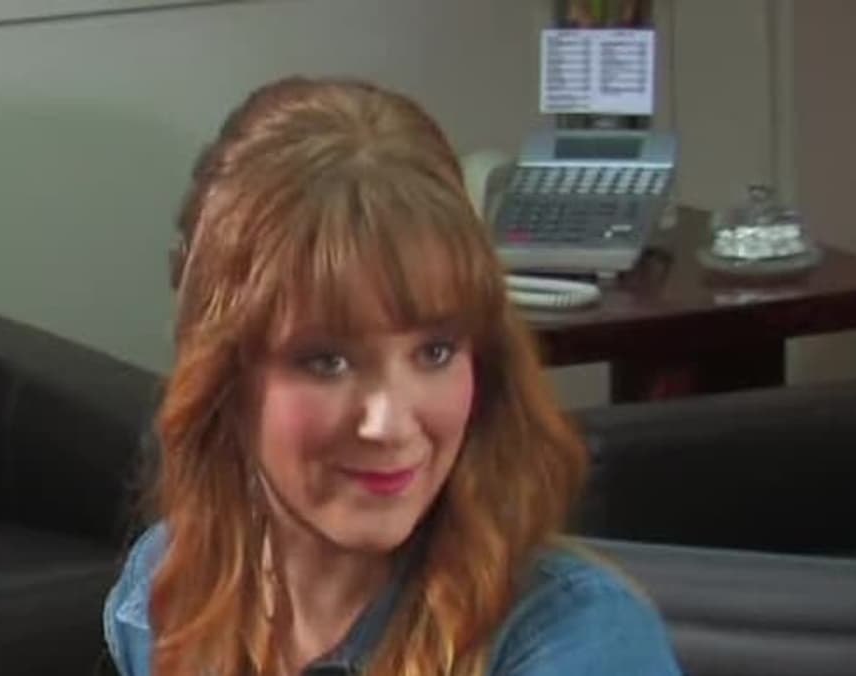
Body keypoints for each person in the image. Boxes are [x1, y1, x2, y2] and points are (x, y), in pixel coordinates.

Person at [102, 77, 682, 675]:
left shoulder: (579, 641)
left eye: (435, 352)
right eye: (326, 361)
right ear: (222, 375)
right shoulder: (164, 591)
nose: (390, 424)